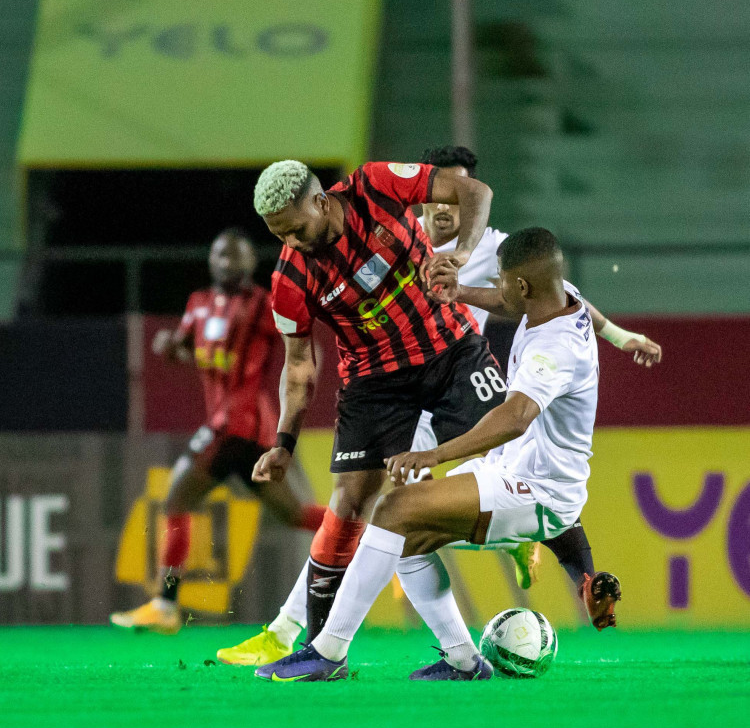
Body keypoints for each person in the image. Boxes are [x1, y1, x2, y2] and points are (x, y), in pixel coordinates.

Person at [257, 226, 615, 682]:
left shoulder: (555, 348)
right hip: (527, 477)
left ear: (523, 285)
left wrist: (434, 455)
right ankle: (463, 660)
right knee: (400, 542)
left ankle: (328, 653)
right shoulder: (561, 296)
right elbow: (509, 303)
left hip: (535, 491)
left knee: (393, 509)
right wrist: (460, 291)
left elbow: (515, 418)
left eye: (502, 279)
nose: (500, 287)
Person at [216, 158, 501, 666]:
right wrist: (283, 443)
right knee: (349, 503)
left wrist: (460, 252)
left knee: (510, 454)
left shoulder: (375, 185)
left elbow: (475, 190)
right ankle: (321, 649)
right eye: (280, 236)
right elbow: (299, 366)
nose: (294, 243)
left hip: (451, 349)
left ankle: (545, 546)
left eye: (297, 229)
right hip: (374, 380)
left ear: (321, 201)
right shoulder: (289, 279)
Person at [411, 146, 662, 598]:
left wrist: (437, 455)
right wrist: (623, 338)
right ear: (423, 194)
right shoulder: (550, 290)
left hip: (469, 395)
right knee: (410, 515)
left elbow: (516, 414)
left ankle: (456, 650)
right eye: (441, 194)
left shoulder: (498, 257)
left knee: (404, 519)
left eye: (459, 196)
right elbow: (560, 295)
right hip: (514, 450)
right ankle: (565, 568)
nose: (448, 207)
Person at [111, 229, 326, 633]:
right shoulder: (199, 303)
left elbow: (301, 337)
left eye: (236, 256)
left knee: (177, 499)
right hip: (237, 432)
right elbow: (185, 346)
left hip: (239, 425)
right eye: (221, 255)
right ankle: (369, 534)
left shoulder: (264, 304)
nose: (228, 262)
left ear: (249, 262)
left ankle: (165, 605)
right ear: (211, 260)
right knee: (294, 514)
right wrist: (169, 347)